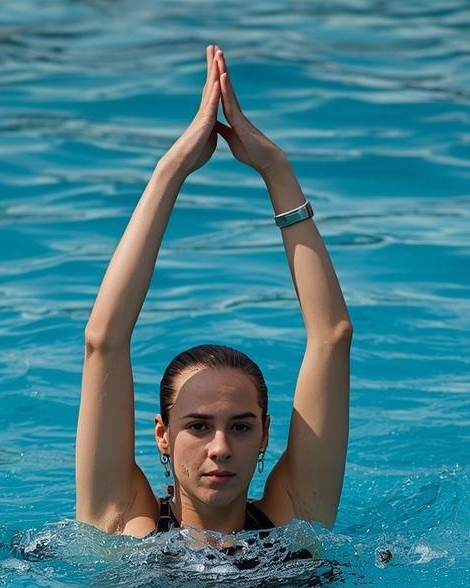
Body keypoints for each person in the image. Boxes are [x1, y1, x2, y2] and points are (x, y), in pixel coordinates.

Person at [75, 45, 352, 541]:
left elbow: (332, 335)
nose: (220, 447)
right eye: (198, 426)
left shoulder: (294, 518)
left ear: (266, 434)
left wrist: (276, 169)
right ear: (162, 434)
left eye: (241, 427)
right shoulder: (125, 523)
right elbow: (104, 341)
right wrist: (170, 170)